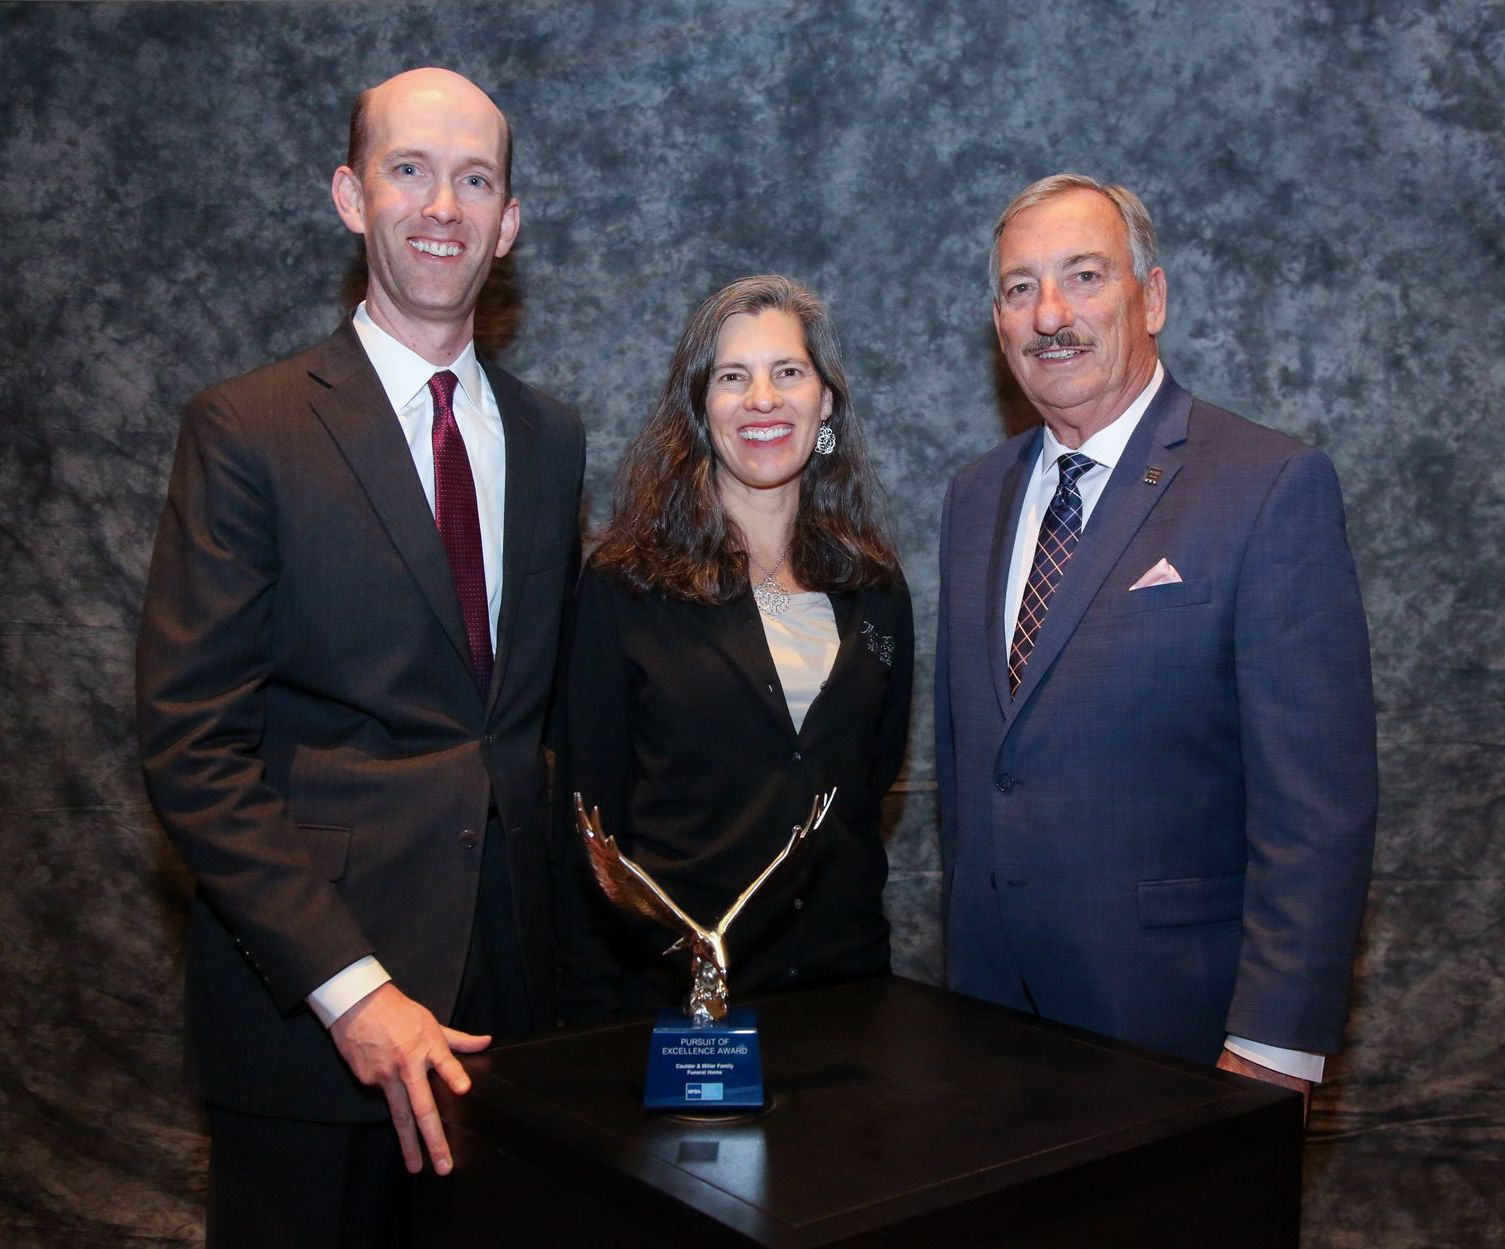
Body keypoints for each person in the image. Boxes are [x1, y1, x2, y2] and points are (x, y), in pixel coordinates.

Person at [135, 68, 584, 1247]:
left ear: (509, 221)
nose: (442, 205)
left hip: (506, 1019)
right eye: (409, 170)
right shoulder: (248, 428)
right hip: (312, 1020)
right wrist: (353, 986)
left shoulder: (549, 439)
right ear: (350, 194)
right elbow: (191, 745)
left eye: (474, 179)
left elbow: (526, 724)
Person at [935, 174, 1377, 1110]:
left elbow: (1317, 805)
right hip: (987, 1026)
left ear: (1154, 297)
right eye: (1019, 288)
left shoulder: (1267, 485)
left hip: (1182, 1031)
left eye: (1083, 276)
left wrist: (1272, 1047)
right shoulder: (974, 498)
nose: (1049, 314)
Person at [560, 275, 912, 1021]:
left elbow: (865, 776)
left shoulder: (874, 587)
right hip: (669, 998)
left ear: (826, 403)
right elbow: (588, 816)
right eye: (731, 377)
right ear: (699, 409)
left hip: (843, 985)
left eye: (788, 371)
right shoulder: (623, 585)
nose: (762, 399)